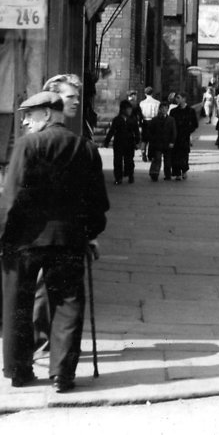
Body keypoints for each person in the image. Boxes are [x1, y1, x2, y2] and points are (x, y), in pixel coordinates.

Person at [1, 91, 109, 392]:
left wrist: (2, 235)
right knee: (67, 302)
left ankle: (19, 370)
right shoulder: (85, 148)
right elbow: (97, 201)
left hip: (24, 240)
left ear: (47, 114)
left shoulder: (27, 146)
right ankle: (62, 373)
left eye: (29, 115)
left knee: (18, 304)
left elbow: (10, 198)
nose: (24, 121)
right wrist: (91, 234)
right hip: (69, 239)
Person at [104, 100, 140, 184]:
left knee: (129, 161)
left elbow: (136, 132)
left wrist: (137, 141)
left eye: (130, 109)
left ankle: (130, 175)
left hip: (130, 143)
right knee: (117, 161)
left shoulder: (133, 120)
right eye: (128, 109)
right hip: (119, 143)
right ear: (123, 110)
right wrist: (107, 141)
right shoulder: (117, 120)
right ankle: (118, 178)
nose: (130, 111)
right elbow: (112, 131)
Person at [168, 93, 198, 180]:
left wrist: (188, 131)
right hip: (175, 136)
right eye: (176, 98)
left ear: (184, 99)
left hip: (185, 136)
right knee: (175, 155)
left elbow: (195, 124)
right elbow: (170, 123)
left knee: (184, 154)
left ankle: (184, 171)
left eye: (178, 98)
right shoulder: (173, 111)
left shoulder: (190, 111)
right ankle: (177, 173)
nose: (176, 100)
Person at [146, 101, 176, 181]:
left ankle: (168, 175)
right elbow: (150, 131)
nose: (164, 110)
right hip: (158, 142)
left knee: (167, 160)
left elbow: (174, 132)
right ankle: (154, 173)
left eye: (166, 108)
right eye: (162, 108)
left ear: (168, 109)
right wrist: (152, 139)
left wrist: (172, 142)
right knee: (157, 159)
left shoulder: (171, 119)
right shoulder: (155, 119)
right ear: (159, 109)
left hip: (167, 142)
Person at [138, 87, 160, 163]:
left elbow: (140, 114)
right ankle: (150, 156)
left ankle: (143, 151)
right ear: (152, 93)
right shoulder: (157, 103)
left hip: (144, 121)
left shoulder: (142, 103)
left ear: (145, 93)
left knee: (144, 139)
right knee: (152, 139)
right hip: (153, 121)